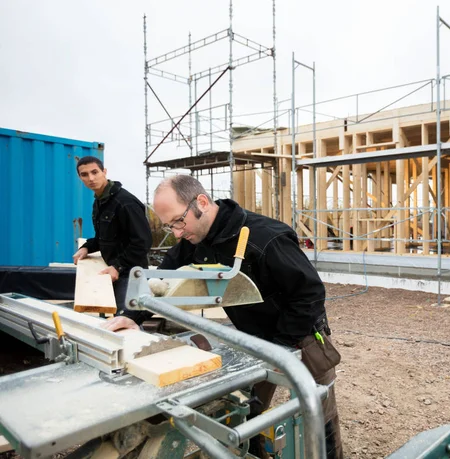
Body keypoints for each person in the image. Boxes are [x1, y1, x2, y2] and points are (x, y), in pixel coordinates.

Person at [104, 174, 343, 459]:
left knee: (318, 411)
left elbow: (309, 293)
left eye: (178, 222)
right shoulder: (196, 238)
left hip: (299, 335)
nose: (177, 233)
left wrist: (283, 346)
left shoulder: (265, 237)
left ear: (201, 202)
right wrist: (132, 315)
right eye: (169, 226)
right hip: (251, 337)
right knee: (246, 411)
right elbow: (162, 278)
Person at [73, 156, 152, 321]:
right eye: (84, 174)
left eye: (95, 172)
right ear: (80, 177)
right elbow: (104, 237)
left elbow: (143, 241)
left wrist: (118, 266)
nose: (91, 178)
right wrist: (87, 247)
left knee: (125, 320)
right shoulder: (100, 201)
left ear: (104, 172)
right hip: (112, 269)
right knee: (114, 318)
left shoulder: (125, 202)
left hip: (130, 273)